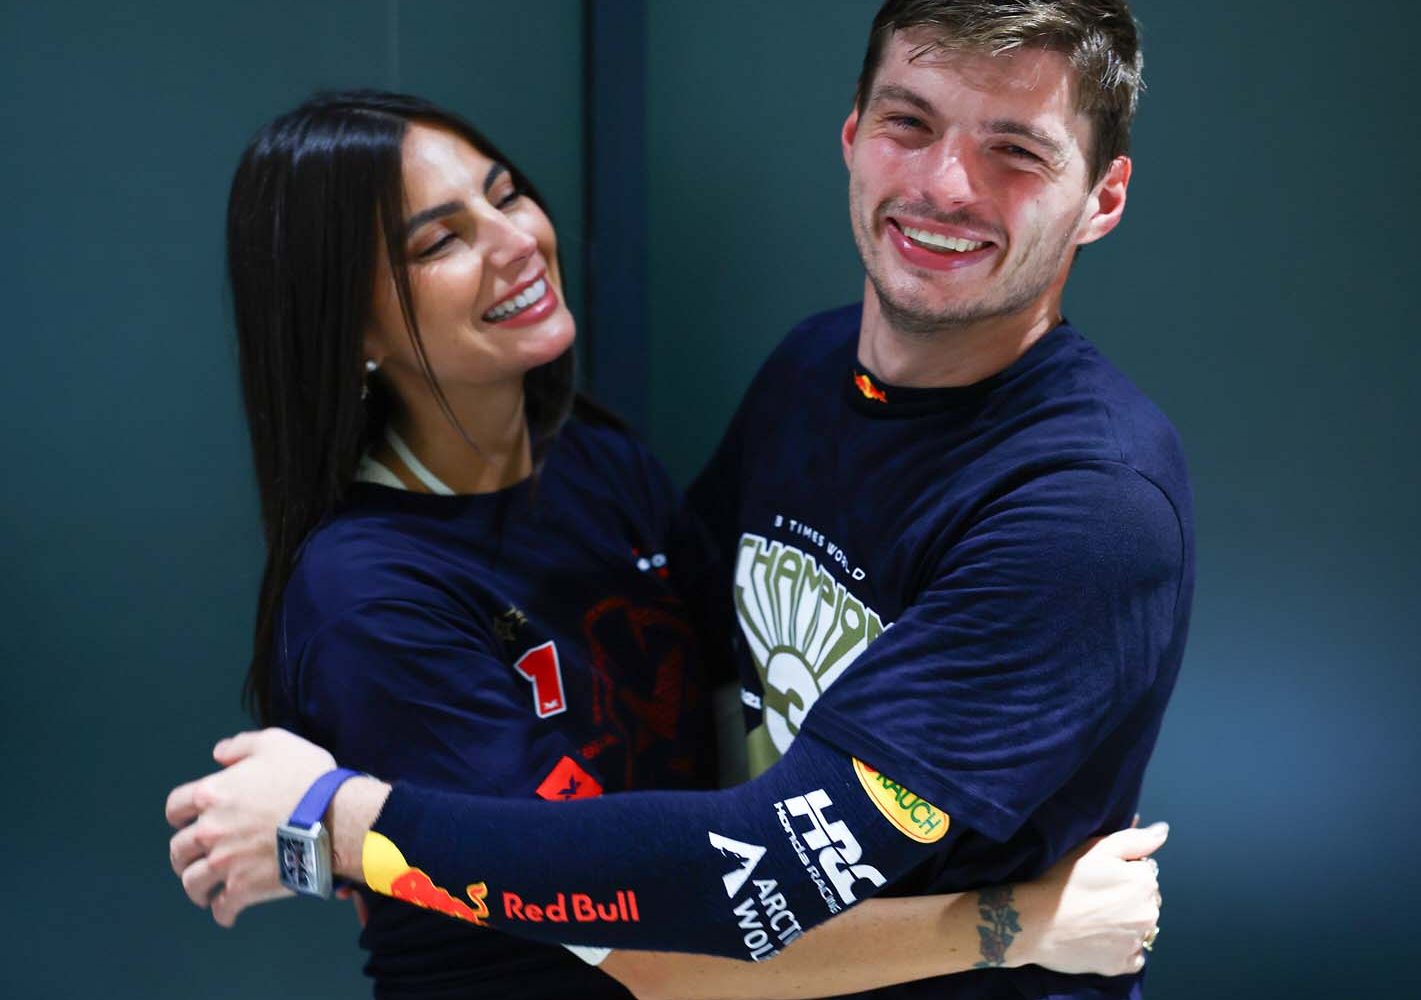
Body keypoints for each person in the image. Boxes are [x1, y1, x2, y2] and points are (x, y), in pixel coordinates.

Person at [168, 2, 1191, 997]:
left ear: (1102, 198)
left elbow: (742, 873)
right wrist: (1017, 926)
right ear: (854, 132)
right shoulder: (810, 372)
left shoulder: (1087, 510)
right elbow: (663, 936)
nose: (946, 183)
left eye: (1016, 149)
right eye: (910, 123)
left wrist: (337, 824)